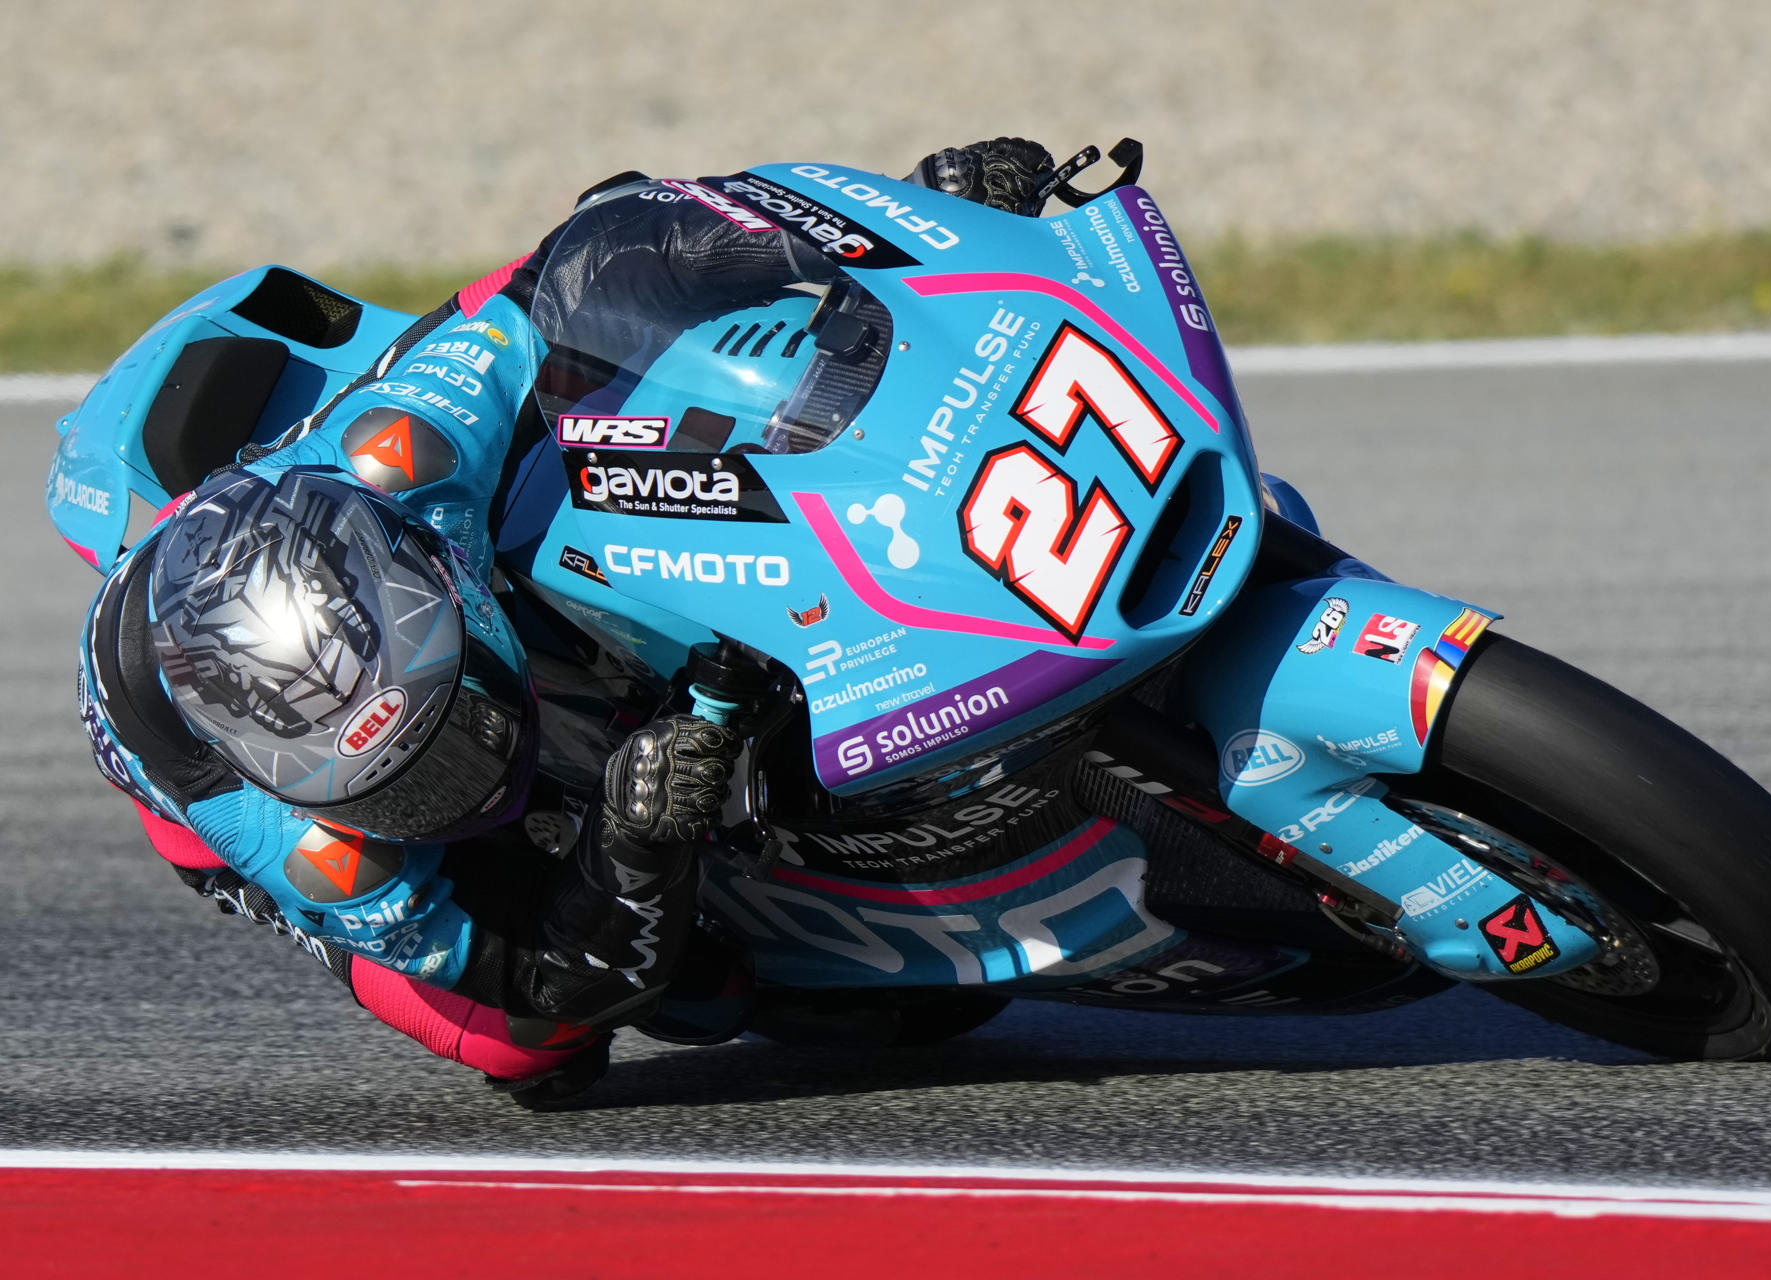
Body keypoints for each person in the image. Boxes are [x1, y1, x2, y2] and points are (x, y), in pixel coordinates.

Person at [72, 139, 1059, 1107]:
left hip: (333, 513)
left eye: (457, 739)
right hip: (242, 762)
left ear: (436, 578)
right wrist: (631, 840)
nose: (467, 784)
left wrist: (908, 222)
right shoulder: (297, 837)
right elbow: (544, 977)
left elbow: (585, 260)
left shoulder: (406, 449)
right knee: (537, 1042)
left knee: (615, 366)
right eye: (410, 790)